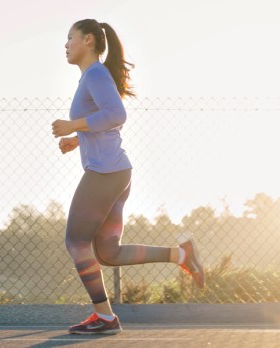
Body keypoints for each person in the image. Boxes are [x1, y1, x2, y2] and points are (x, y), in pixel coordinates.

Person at [51, 19, 205, 335]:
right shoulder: (90, 77)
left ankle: (105, 318)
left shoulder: (94, 73)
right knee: (108, 252)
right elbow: (106, 122)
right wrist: (77, 139)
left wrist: (73, 126)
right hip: (116, 172)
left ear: (88, 40)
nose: (66, 44)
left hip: (106, 173)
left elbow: (117, 115)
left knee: (76, 241)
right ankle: (182, 254)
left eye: (70, 38)